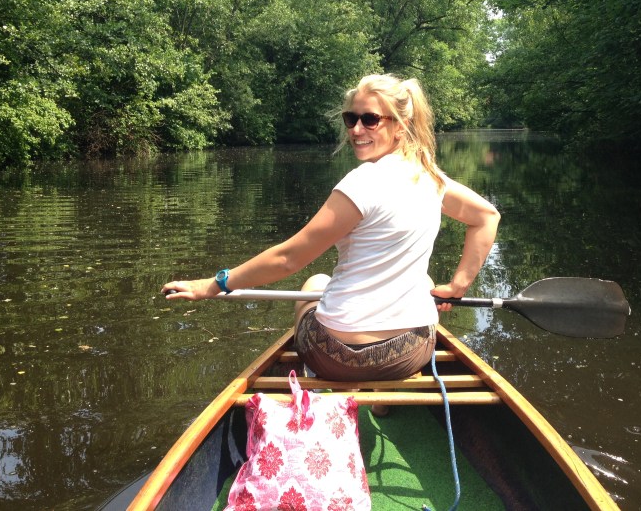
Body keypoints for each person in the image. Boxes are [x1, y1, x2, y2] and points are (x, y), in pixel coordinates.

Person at [162, 74, 500, 389]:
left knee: (315, 283)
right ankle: (382, 400)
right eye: (351, 119)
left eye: (370, 119)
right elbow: (486, 216)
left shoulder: (362, 182)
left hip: (336, 357)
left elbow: (288, 259)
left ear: (400, 126)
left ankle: (322, 387)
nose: (356, 129)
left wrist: (214, 284)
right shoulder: (431, 179)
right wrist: (458, 285)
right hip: (408, 354)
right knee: (425, 282)